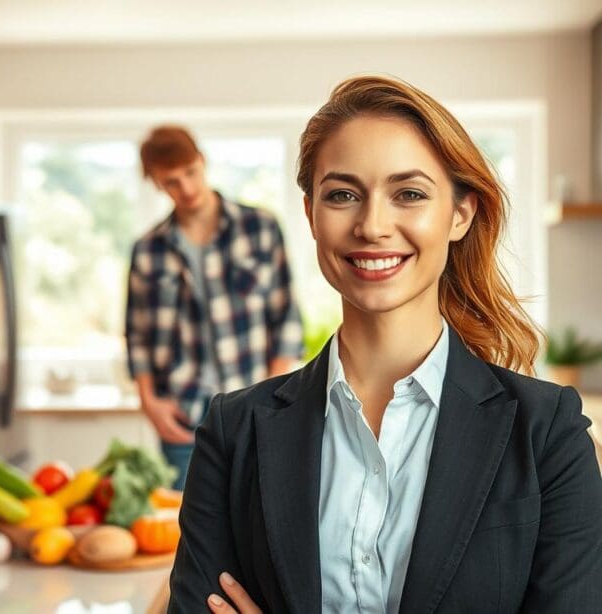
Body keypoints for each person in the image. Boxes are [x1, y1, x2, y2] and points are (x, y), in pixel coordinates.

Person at [168, 76, 602, 613]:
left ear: (460, 214)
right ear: (310, 214)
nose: (372, 226)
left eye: (409, 194)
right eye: (343, 195)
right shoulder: (233, 431)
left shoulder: (548, 433)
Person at [125, 126, 303, 491]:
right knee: (184, 524)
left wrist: (270, 400)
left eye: (190, 172)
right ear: (156, 183)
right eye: (171, 182)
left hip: (252, 408)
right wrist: (149, 402)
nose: (186, 188)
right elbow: (137, 335)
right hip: (181, 417)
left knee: (258, 519)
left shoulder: (260, 228)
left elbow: (286, 319)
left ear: (202, 160)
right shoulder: (147, 250)